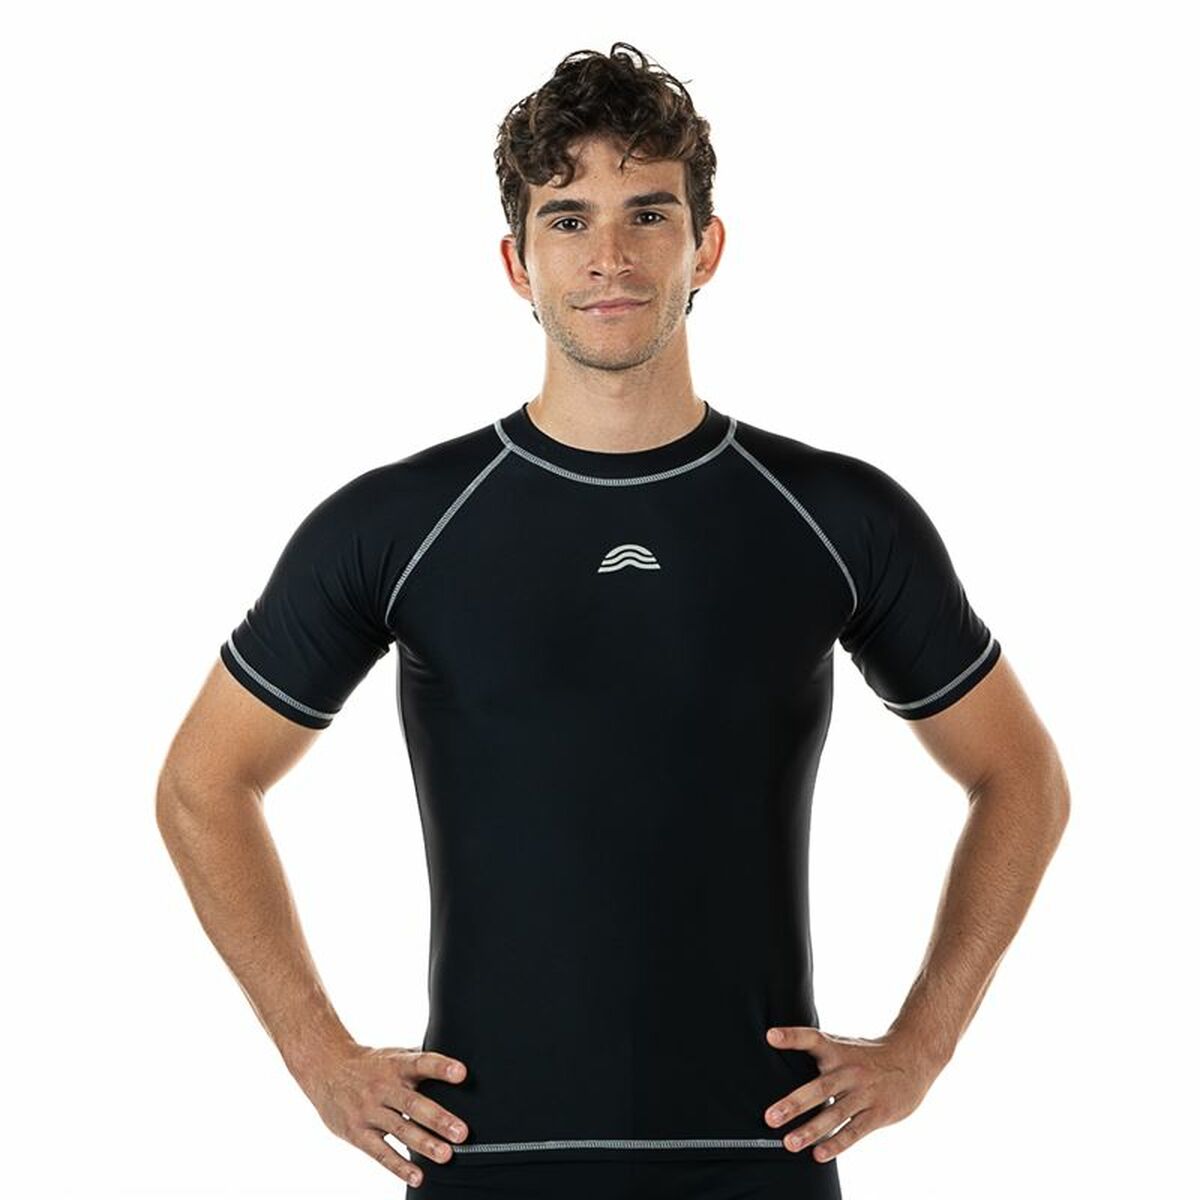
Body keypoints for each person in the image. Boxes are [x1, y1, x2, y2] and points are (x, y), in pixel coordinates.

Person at [156, 42, 1070, 1200]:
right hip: (488, 1157)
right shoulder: (403, 524)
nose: (610, 256)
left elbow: (1021, 778)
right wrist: (318, 1057)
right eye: (567, 218)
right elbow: (204, 783)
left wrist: (921, 1048)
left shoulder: (834, 516)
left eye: (648, 213)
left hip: (760, 1157)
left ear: (706, 247)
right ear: (516, 263)